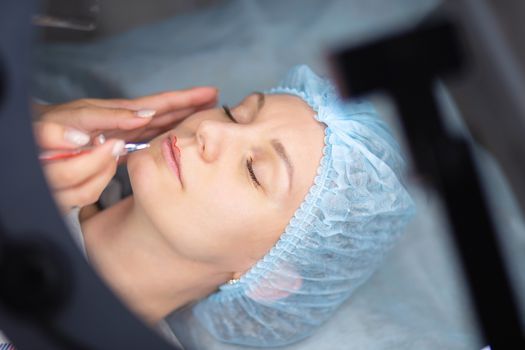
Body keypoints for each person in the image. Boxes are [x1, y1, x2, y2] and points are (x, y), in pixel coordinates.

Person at [40, 65, 415, 347]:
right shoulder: (35, 139)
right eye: (235, 113)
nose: (210, 130)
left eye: (255, 171)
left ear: (272, 279)